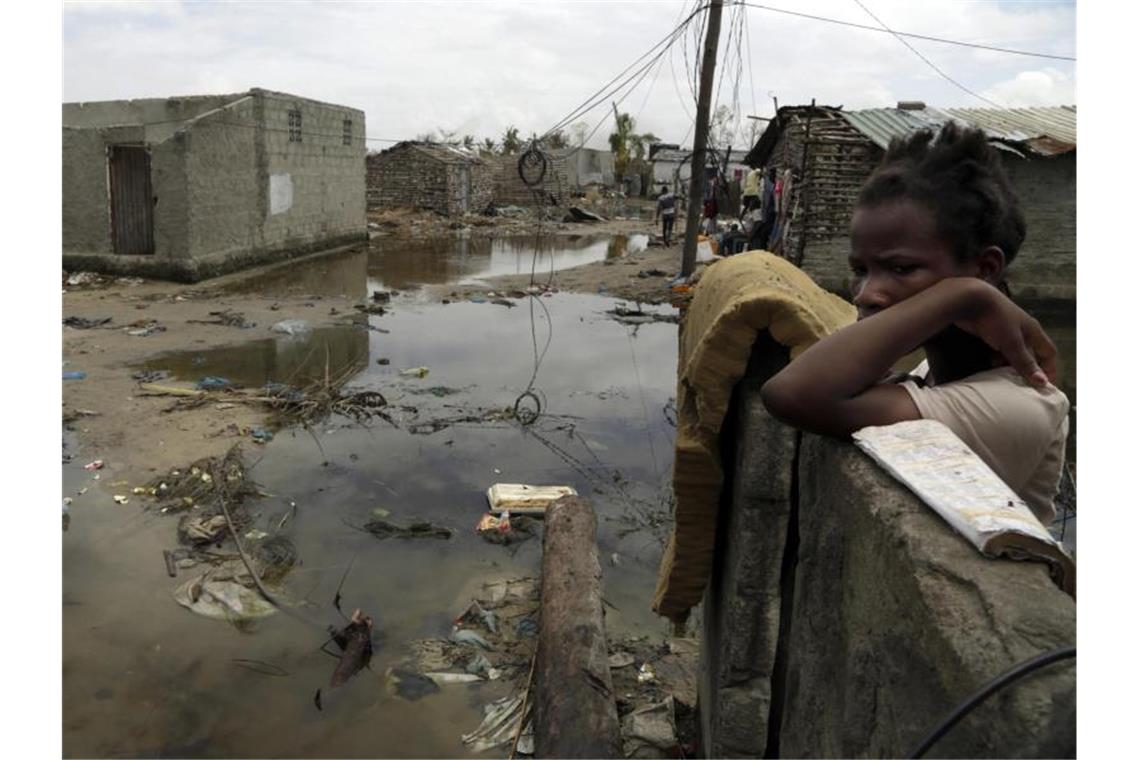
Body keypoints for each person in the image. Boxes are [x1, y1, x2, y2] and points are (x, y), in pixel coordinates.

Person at [760, 122, 1069, 526]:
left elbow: (792, 395)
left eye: (901, 268)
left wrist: (962, 295)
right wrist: (963, 294)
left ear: (985, 268)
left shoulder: (1019, 404)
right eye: (861, 270)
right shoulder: (931, 373)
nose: (865, 293)